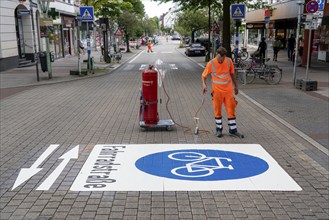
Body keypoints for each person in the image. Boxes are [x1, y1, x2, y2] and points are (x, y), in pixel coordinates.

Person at [201, 47, 244, 138]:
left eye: (222, 58)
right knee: (217, 111)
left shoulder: (229, 61)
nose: (221, 60)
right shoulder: (211, 63)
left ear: (225, 56)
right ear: (217, 54)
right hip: (217, 92)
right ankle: (219, 130)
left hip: (228, 92)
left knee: (231, 110)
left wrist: (236, 86)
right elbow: (203, 75)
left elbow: (232, 74)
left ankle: (233, 130)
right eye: (219, 57)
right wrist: (204, 85)